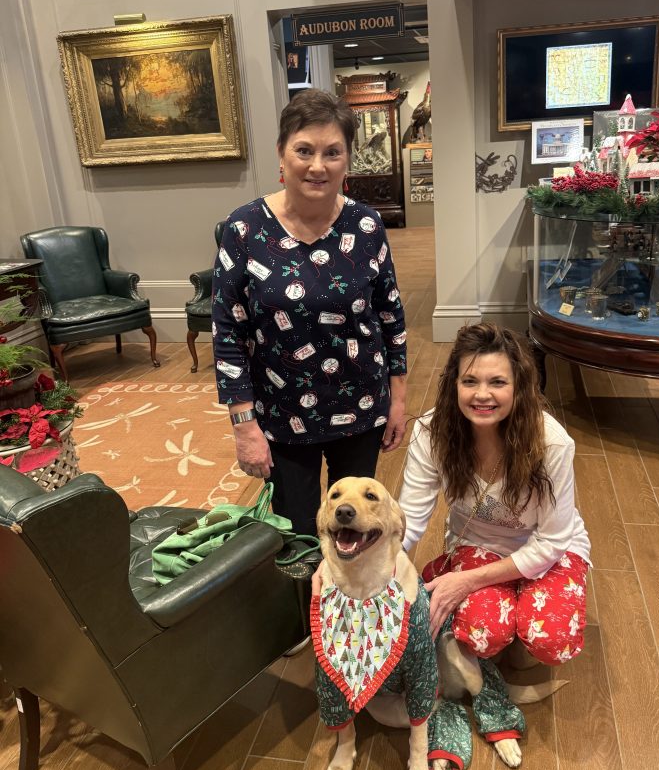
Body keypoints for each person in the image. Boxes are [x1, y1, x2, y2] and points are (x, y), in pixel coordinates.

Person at [212, 88, 407, 537]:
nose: (318, 165)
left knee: (355, 531)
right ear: (282, 154)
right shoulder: (244, 229)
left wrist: (397, 399)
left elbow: (390, 317)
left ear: (347, 161)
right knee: (296, 533)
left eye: (332, 152)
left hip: (360, 407)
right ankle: (304, 609)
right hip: (281, 415)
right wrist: (244, 426)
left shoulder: (366, 225)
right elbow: (227, 335)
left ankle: (347, 607)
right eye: (304, 150)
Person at [398, 323, 590, 666]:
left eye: (497, 382)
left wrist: (465, 581)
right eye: (469, 381)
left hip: (549, 550)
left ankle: (519, 615)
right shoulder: (431, 432)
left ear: (520, 387)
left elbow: (551, 541)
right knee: (481, 634)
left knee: (552, 640)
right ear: (453, 384)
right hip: (479, 543)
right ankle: (511, 612)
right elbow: (409, 519)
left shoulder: (553, 442)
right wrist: (361, 562)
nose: (481, 394)